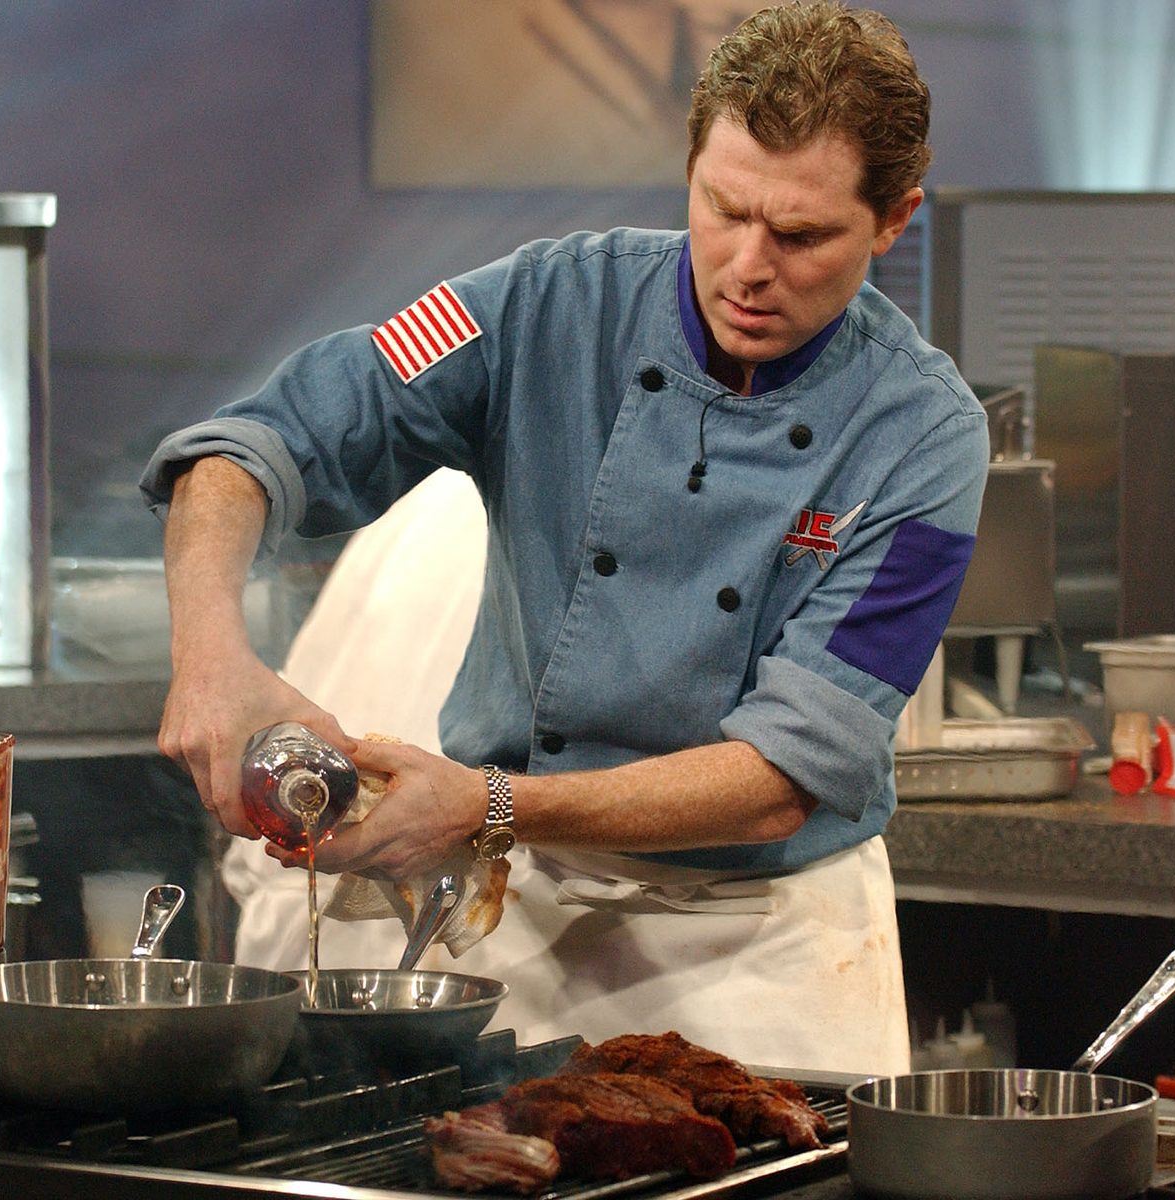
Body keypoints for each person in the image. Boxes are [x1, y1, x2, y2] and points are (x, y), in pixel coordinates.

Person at [141, 2, 989, 1075]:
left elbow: (789, 769)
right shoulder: (540, 304)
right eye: (722, 210)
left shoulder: (925, 438)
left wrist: (493, 806)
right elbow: (259, 439)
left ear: (894, 220)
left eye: (802, 235)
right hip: (520, 920)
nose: (746, 267)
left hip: (767, 947)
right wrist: (210, 655)